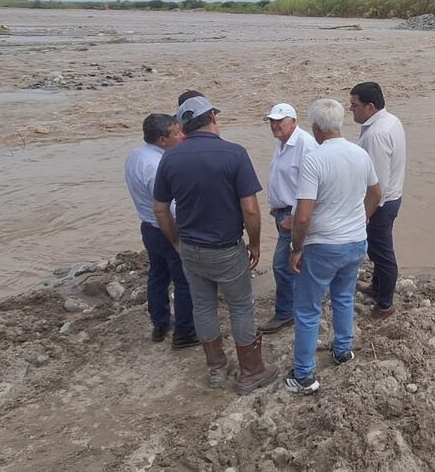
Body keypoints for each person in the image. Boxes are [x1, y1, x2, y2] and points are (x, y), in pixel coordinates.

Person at [152, 95, 279, 393]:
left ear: (184, 126)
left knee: (204, 306)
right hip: (226, 248)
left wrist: (176, 241)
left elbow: (160, 209)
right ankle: (251, 371)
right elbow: (250, 209)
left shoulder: (170, 158)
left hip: (191, 249)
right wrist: (255, 244)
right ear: (212, 118)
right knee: (240, 307)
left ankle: (217, 369)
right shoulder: (234, 154)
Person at [285, 99, 381, 394]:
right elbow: (376, 194)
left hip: (323, 245)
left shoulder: (314, 159)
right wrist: (361, 219)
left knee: (307, 309)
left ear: (315, 128)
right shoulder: (360, 154)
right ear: (339, 123)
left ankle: (304, 375)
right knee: (343, 297)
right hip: (355, 241)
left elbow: (303, 215)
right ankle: (342, 350)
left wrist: (296, 248)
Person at [124, 113, 198, 348]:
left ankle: (160, 324)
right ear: (162, 139)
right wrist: (177, 238)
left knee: (157, 276)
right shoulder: (158, 166)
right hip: (165, 228)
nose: (182, 136)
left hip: (148, 227)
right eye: (176, 133)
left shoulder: (136, 155)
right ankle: (184, 333)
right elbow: (169, 208)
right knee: (184, 281)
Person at [349, 81, 406, 322]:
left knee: (382, 253)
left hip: (381, 204)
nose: (351, 109)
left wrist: (364, 215)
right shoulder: (390, 120)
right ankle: (377, 287)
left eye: (354, 105)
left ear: (370, 107)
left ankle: (385, 305)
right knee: (376, 249)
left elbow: (376, 186)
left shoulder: (376, 135)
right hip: (391, 196)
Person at [258, 103, 318, 334]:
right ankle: (303, 302)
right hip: (283, 212)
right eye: (272, 121)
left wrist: (294, 217)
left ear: (293, 122)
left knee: (281, 265)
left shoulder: (305, 144)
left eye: (279, 121)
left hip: (295, 215)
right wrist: (276, 206)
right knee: (297, 261)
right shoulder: (282, 142)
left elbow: (314, 186)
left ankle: (286, 312)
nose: (274, 126)